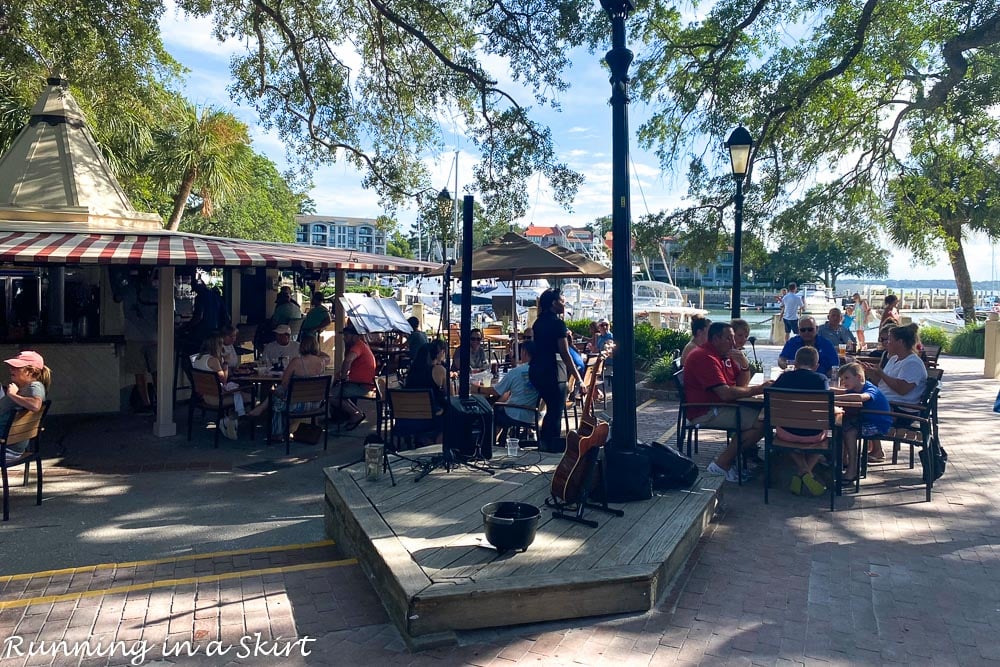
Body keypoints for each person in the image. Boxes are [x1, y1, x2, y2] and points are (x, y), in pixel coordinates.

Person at [685, 322, 772, 483]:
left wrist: (744, 365)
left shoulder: (723, 355)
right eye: (729, 338)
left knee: (765, 416)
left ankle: (731, 460)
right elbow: (725, 393)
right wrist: (758, 390)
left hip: (721, 405)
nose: (734, 343)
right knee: (765, 420)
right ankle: (721, 464)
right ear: (716, 339)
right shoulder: (704, 357)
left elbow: (741, 385)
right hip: (706, 411)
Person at [860, 323, 927, 461]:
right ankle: (871, 449)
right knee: (856, 404)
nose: (886, 343)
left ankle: (870, 451)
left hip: (901, 411)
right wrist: (872, 372)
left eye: (889, 339)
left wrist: (881, 373)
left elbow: (902, 389)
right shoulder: (894, 358)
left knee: (855, 414)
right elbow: (881, 383)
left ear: (900, 342)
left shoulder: (912, 363)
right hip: (888, 404)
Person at [771, 346, 831, 497]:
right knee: (829, 436)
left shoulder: (784, 377)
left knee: (784, 437)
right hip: (814, 434)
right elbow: (827, 404)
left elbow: (772, 397)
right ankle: (805, 473)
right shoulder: (821, 379)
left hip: (786, 433)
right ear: (816, 365)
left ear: (795, 363)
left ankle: (803, 472)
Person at [530, 289, 585, 451]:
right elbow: (565, 353)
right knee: (556, 409)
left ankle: (544, 443)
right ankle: (551, 445)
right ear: (554, 304)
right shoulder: (558, 324)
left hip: (536, 370)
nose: (564, 304)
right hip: (553, 371)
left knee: (550, 407)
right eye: (562, 301)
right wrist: (579, 379)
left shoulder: (537, 323)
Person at [246, 335, 328, 435]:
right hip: (315, 403)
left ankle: (276, 432)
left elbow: (284, 384)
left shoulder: (296, 362)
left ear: (301, 346)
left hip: (297, 405)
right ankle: (264, 411)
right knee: (277, 397)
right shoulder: (321, 363)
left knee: (276, 400)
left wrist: (274, 392)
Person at [836, 363, 892, 483]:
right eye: (841, 379)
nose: (843, 382)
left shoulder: (870, 389)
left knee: (850, 432)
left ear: (859, 377)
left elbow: (861, 397)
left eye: (846, 378)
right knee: (840, 426)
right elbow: (842, 392)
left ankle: (853, 468)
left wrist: (835, 399)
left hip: (878, 424)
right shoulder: (854, 388)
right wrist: (826, 390)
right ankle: (842, 460)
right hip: (864, 420)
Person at [192, 334, 249, 437]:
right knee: (249, 396)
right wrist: (226, 362)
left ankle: (230, 419)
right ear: (216, 346)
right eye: (221, 344)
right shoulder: (213, 360)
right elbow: (224, 379)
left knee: (237, 394)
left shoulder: (197, 359)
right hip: (216, 398)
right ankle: (233, 420)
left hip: (203, 396)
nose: (223, 347)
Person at [0, 351, 51, 461]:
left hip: (6, 449)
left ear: (30, 371)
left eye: (16, 367)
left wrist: (12, 395)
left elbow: (35, 405)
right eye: (11, 366)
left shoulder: (35, 386)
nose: (11, 369)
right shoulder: (25, 388)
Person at [120, 276, 158, 411]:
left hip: (134, 336)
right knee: (157, 370)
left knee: (139, 372)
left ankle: (146, 404)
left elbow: (127, 313)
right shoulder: (156, 291)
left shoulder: (128, 291)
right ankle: (161, 402)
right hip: (154, 336)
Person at [491, 341, 540, 443]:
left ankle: (491, 443)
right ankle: (501, 440)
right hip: (534, 413)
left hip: (516, 412)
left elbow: (496, 391)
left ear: (524, 353)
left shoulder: (517, 371)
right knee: (501, 406)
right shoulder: (540, 370)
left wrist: (477, 388)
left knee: (494, 412)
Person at [331, 324, 376, 430]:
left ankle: (356, 414)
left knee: (331, 395)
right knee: (336, 389)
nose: (344, 338)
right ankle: (345, 415)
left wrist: (342, 376)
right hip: (361, 383)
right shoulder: (362, 345)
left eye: (346, 335)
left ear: (354, 336)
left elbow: (348, 360)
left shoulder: (358, 346)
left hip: (363, 386)